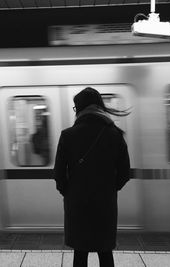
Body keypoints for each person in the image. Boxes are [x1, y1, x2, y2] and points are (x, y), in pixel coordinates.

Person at [53, 87, 131, 267]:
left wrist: (70, 192)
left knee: (80, 253)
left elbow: (58, 175)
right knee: (105, 253)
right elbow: (125, 173)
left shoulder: (68, 135)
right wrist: (109, 189)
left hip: (77, 204)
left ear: (79, 108)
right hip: (105, 203)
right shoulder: (115, 134)